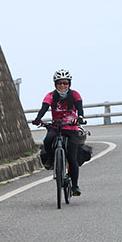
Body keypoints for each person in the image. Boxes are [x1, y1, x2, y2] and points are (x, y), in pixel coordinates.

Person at [31, 68, 86, 196]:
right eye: (60, 83)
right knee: (48, 140)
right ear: (55, 84)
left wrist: (80, 118)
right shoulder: (50, 96)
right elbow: (44, 108)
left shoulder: (75, 95)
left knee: (72, 158)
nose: (62, 86)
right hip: (56, 127)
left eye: (65, 83)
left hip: (71, 128)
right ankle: (51, 159)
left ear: (69, 84)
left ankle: (75, 186)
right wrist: (38, 119)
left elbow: (80, 109)